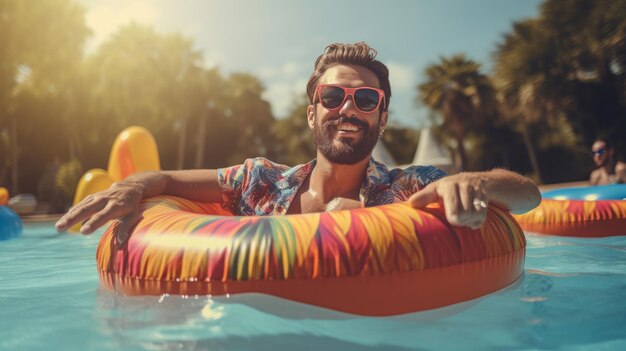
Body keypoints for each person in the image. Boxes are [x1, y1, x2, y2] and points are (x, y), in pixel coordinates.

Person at [55, 42, 540, 242]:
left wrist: (474, 180)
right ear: (313, 113)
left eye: (365, 99)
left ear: (383, 119)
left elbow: (528, 195)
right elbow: (161, 178)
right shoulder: (260, 181)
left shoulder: (410, 186)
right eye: (333, 96)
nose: (348, 108)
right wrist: (133, 187)